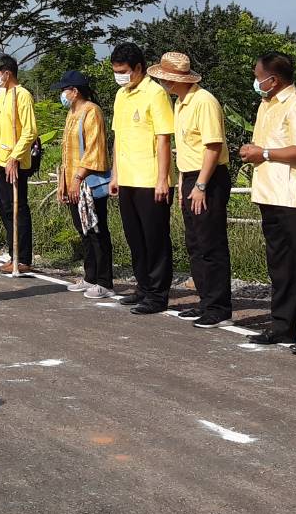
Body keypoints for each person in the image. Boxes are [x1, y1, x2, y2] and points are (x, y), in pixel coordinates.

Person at [239, 52, 296, 354]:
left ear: (273, 80)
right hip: (269, 193)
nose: (256, 82)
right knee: (280, 265)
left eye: (258, 76)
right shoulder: (266, 104)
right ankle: (282, 324)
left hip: (295, 196)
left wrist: (262, 153)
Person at [153, 52, 232, 328]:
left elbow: (213, 146)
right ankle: (205, 299)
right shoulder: (180, 103)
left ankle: (219, 306)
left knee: (211, 243)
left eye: (166, 78)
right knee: (195, 243)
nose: (163, 82)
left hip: (207, 176)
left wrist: (201, 184)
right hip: (190, 175)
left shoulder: (204, 101)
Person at [108, 43, 176, 315]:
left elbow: (163, 138)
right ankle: (143, 286)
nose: (120, 76)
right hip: (127, 177)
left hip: (150, 179)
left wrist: (162, 179)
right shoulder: (121, 95)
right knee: (134, 236)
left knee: (155, 238)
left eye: (124, 71)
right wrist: (115, 174)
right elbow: (118, 137)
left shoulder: (156, 93)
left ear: (139, 68)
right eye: (116, 72)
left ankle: (158, 294)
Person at [54, 71, 114, 300]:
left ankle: (105, 280)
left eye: (64, 90)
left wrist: (77, 178)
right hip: (72, 182)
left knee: (96, 229)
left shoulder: (91, 111)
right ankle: (90, 276)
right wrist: (64, 181)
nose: (62, 94)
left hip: (87, 182)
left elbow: (94, 150)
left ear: (75, 91)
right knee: (83, 230)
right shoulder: (72, 112)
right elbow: (66, 152)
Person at [0, 54, 36, 274]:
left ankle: (23, 258)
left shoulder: (21, 95)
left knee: (18, 208)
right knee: (6, 209)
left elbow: (30, 131)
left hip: (13, 161)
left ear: (8, 73)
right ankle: (12, 254)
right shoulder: (1, 95)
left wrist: (14, 157)